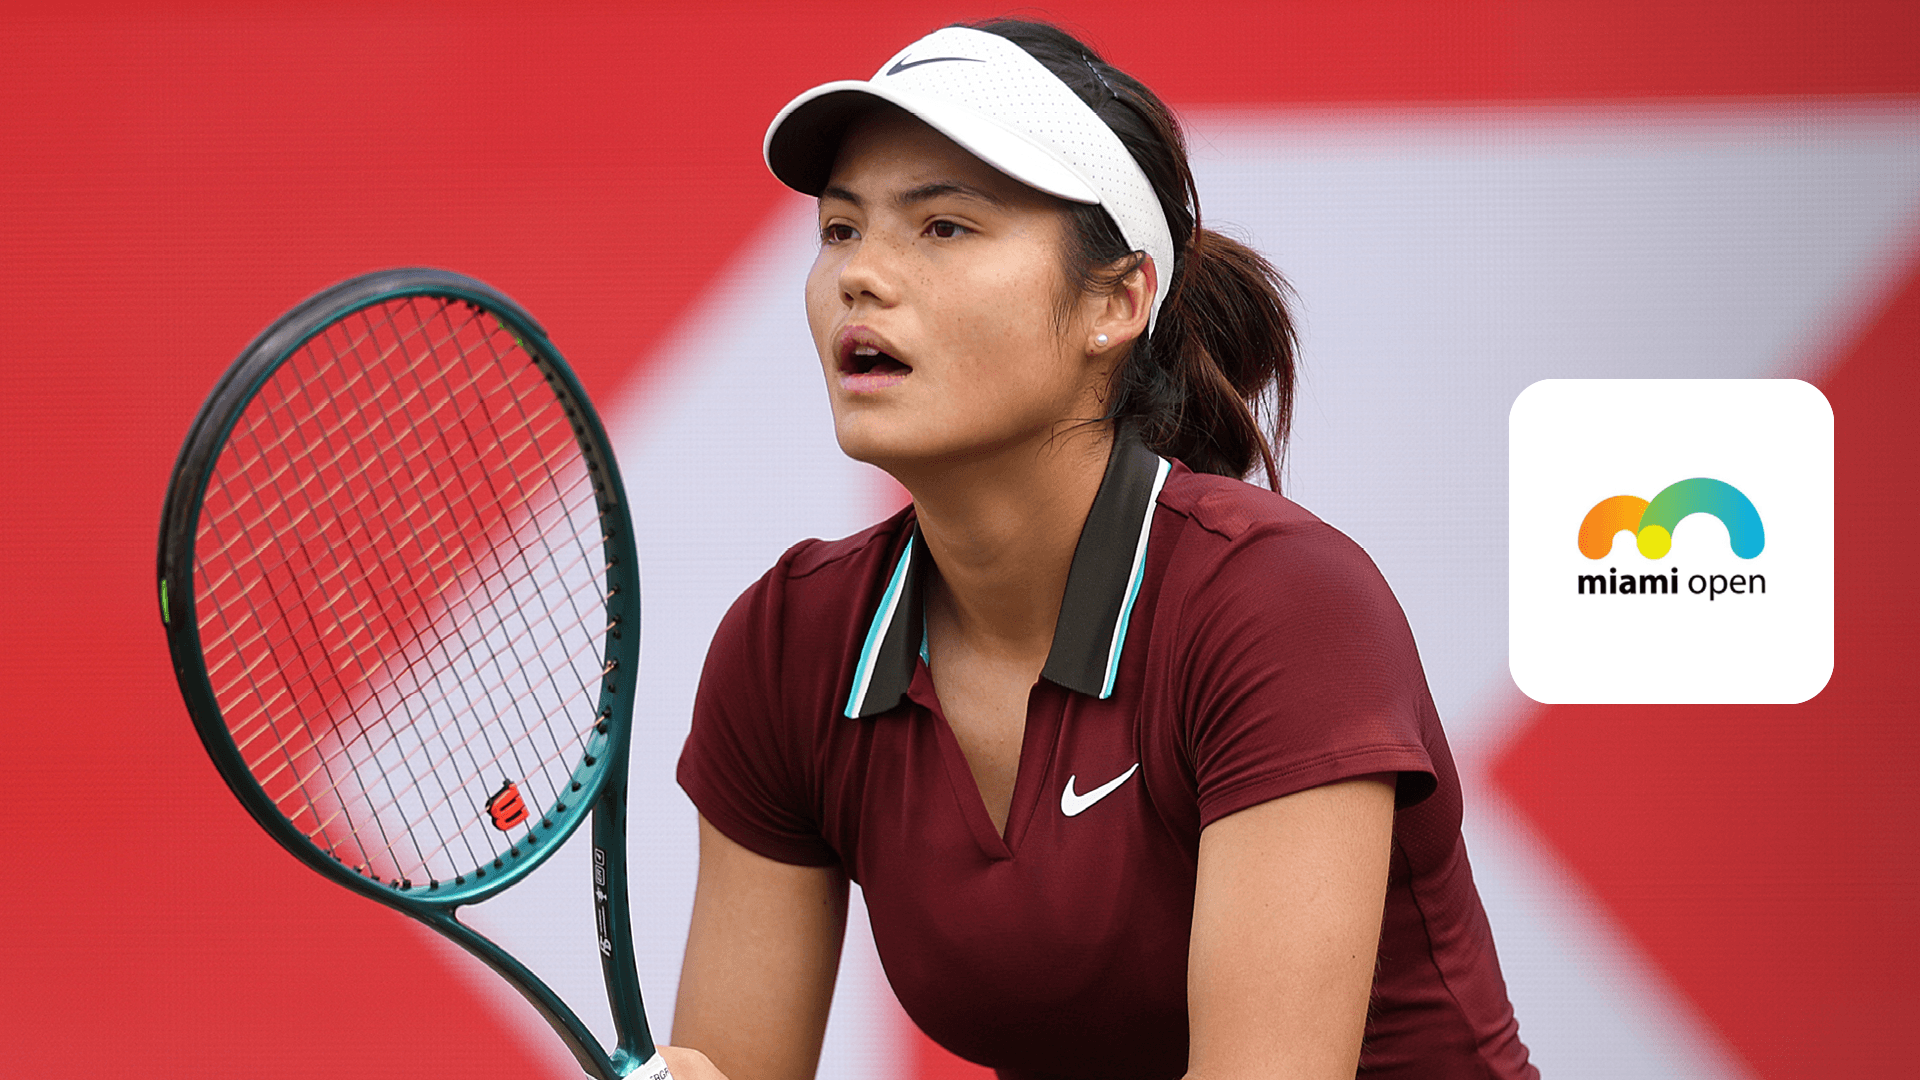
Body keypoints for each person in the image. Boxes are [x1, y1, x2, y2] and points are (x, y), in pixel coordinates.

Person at [660, 18, 1535, 1080]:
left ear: (1116, 302)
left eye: (943, 227)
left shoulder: (1282, 608)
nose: (860, 275)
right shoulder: (790, 645)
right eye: (840, 229)